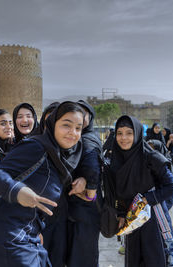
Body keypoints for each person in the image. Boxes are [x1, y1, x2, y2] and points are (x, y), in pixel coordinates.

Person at [0, 101, 84, 267]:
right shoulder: (36, 146)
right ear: (52, 124)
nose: (73, 132)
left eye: (78, 128)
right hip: (8, 236)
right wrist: (18, 191)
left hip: (28, 235)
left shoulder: (59, 157)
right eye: (66, 125)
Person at [108, 115, 173, 267]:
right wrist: (120, 215)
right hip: (133, 222)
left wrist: (147, 199)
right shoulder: (117, 161)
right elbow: (121, 193)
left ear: (138, 134)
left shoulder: (151, 157)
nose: (123, 138)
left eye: (129, 133)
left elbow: (172, 187)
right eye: (119, 133)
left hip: (153, 222)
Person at [65, 100, 102, 267]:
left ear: (90, 117)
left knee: (82, 255)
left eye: (83, 113)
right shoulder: (83, 136)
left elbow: (93, 168)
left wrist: (91, 189)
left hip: (85, 208)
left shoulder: (87, 138)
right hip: (83, 209)